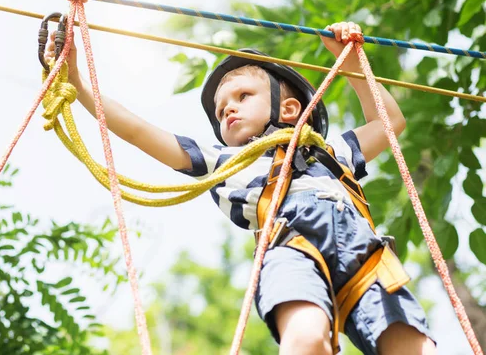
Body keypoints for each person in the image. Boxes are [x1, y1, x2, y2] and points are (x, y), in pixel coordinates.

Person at [44, 21, 436, 354]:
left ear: (289, 109)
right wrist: (77, 83)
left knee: (412, 346)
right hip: (292, 247)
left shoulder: (331, 154)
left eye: (242, 96)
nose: (227, 109)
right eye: (220, 110)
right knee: (306, 338)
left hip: (363, 255)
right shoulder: (227, 162)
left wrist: (349, 62)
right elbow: (138, 129)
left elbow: (389, 123)